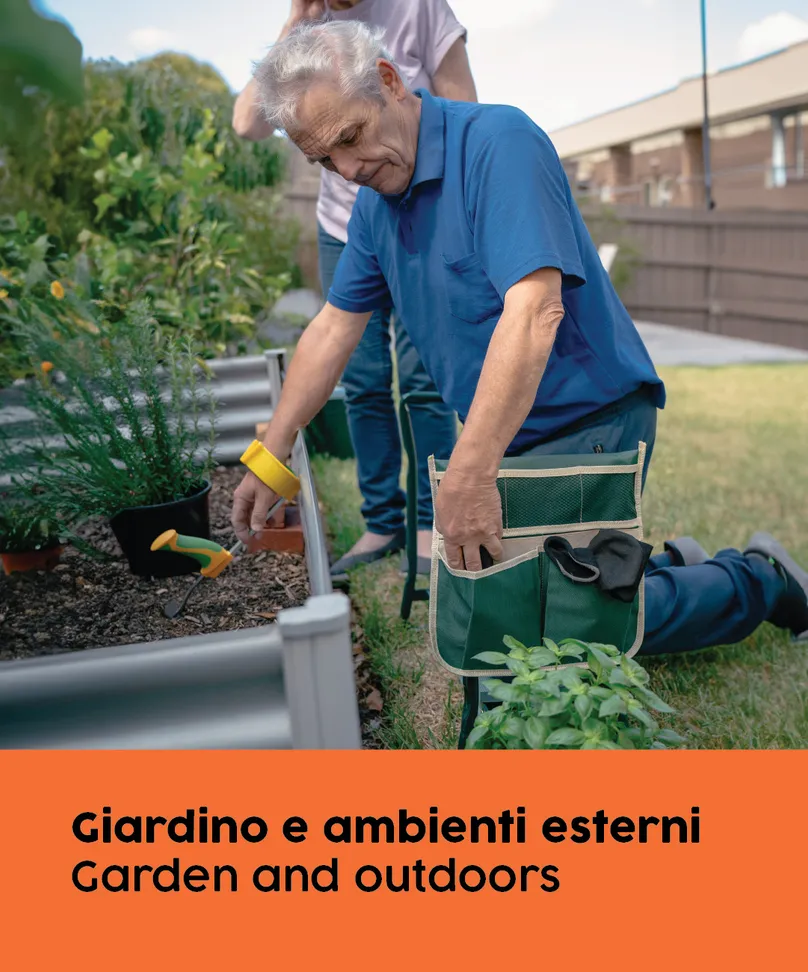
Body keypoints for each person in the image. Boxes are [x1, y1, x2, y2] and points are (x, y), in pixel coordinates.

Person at [231, 20, 808, 654]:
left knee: (562, 630)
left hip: (589, 416)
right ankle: (663, 564)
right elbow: (333, 329)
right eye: (323, 159)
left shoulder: (498, 143)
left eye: (350, 137)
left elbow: (535, 311)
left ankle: (758, 579)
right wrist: (272, 453)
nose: (347, 170)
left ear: (391, 82)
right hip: (508, 431)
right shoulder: (373, 204)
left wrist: (471, 472)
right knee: (505, 609)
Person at [233, 0, 478, 579]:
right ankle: (381, 522)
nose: (342, 164)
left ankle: (427, 524)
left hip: (418, 215)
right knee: (364, 383)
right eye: (326, 156)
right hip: (347, 230)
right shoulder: (307, 18)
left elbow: (463, 108)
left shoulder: (418, 8)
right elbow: (247, 122)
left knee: (424, 383)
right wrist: (295, 22)